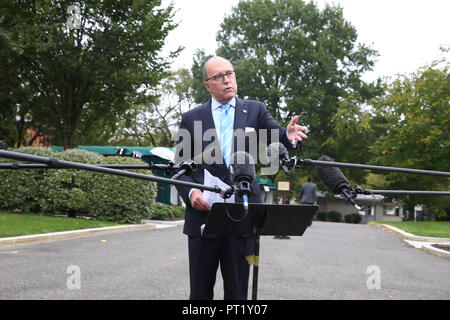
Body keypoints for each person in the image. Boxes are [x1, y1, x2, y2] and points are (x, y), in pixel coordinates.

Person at [174, 56, 308, 300]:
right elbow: (180, 166)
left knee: (238, 294)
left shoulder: (255, 110)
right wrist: (192, 192)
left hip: (243, 215)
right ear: (207, 85)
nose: (227, 80)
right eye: (219, 77)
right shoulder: (192, 118)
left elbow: (278, 137)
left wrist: (288, 136)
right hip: (203, 216)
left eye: (230, 74)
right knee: (200, 294)